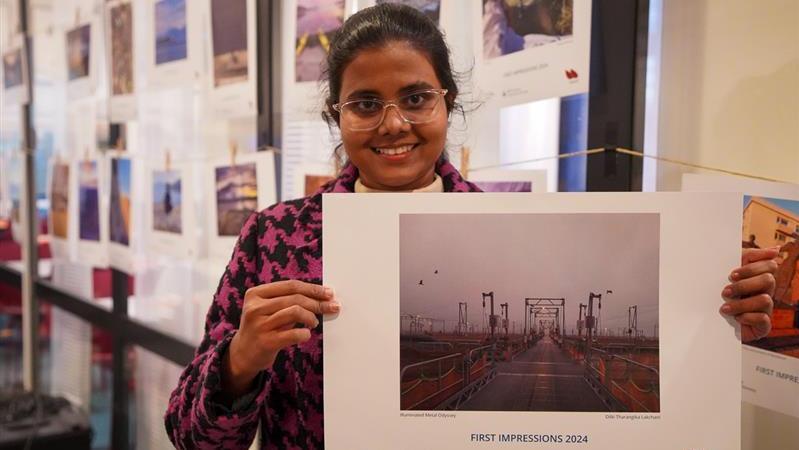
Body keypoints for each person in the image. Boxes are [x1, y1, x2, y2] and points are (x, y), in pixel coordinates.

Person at [164, 4, 777, 449]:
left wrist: (713, 324)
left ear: (448, 102)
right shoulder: (274, 239)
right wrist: (240, 361)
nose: (393, 124)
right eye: (365, 103)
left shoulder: (503, 224)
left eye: (415, 97)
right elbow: (191, 437)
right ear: (337, 116)